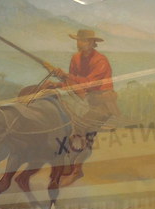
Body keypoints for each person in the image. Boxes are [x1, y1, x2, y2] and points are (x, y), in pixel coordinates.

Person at [42, 29, 118, 184]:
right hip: (83, 99)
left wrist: (65, 75)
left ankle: (77, 171)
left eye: (82, 40)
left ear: (91, 43)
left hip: (102, 102)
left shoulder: (101, 61)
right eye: (78, 40)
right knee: (66, 126)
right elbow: (73, 83)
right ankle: (67, 165)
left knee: (82, 132)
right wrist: (57, 84)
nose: (79, 43)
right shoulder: (75, 58)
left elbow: (89, 83)